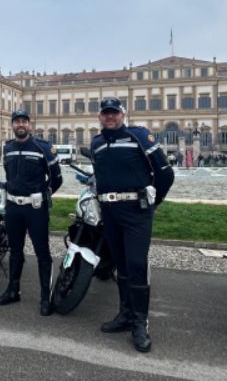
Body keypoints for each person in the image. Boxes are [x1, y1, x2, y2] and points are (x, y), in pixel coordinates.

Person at [90, 97, 174, 353]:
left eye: (114, 113)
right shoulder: (96, 143)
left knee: (137, 265)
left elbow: (165, 173)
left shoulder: (139, 136)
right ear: (100, 117)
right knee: (121, 265)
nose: (110, 117)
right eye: (106, 113)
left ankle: (140, 324)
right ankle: (125, 315)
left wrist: (155, 200)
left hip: (136, 212)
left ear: (123, 115)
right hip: (110, 212)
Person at [0, 109, 63, 316]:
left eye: (24, 121)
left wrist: (44, 194)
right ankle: (13, 290)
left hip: (35, 208)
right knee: (15, 250)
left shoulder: (43, 148)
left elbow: (56, 178)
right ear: (12, 125)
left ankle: (45, 296)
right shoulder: (7, 148)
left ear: (30, 124)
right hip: (14, 207)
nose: (20, 124)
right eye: (17, 122)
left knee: (42, 252)